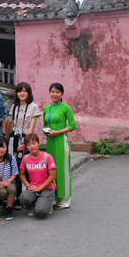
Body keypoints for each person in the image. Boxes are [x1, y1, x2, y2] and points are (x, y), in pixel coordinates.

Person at [6, 82, 41, 209]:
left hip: (25, 140)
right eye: (20, 91)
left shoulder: (33, 107)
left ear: (29, 93)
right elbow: (12, 124)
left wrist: (25, 144)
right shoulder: (14, 107)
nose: (22, 93)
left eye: (25, 91)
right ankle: (17, 196)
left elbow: (31, 128)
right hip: (13, 140)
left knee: (25, 168)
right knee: (13, 166)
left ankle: (29, 196)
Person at [42, 82, 76, 210]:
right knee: (52, 169)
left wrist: (57, 132)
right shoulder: (47, 108)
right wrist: (46, 131)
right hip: (50, 141)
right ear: (49, 93)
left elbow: (73, 126)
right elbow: (45, 123)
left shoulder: (66, 108)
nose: (54, 94)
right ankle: (55, 197)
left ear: (62, 94)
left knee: (63, 170)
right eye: (52, 91)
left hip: (61, 141)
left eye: (57, 92)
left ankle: (65, 200)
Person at [19, 133, 56, 218]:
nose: (32, 146)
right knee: (23, 198)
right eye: (28, 145)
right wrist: (28, 185)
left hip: (47, 188)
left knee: (40, 212)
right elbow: (21, 175)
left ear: (38, 143)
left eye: (34, 143)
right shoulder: (25, 158)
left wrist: (40, 188)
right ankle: (31, 207)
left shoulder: (47, 157)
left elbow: (53, 176)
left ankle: (47, 204)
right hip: (33, 188)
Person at [0, 135, 18, 221]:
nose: (1, 149)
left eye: (3, 147)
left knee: (12, 189)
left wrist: (9, 181)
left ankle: (8, 209)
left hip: (9, 181)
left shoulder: (10, 158)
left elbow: (15, 172)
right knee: (2, 192)